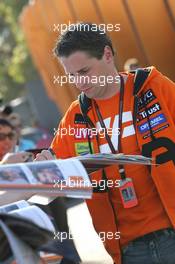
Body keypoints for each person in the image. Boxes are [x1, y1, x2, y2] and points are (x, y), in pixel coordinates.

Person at [35, 22, 175, 264]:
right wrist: (42, 168)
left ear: (107, 55)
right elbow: (49, 184)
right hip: (128, 251)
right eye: (71, 76)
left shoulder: (155, 87)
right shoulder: (75, 117)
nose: (79, 83)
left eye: (84, 71)